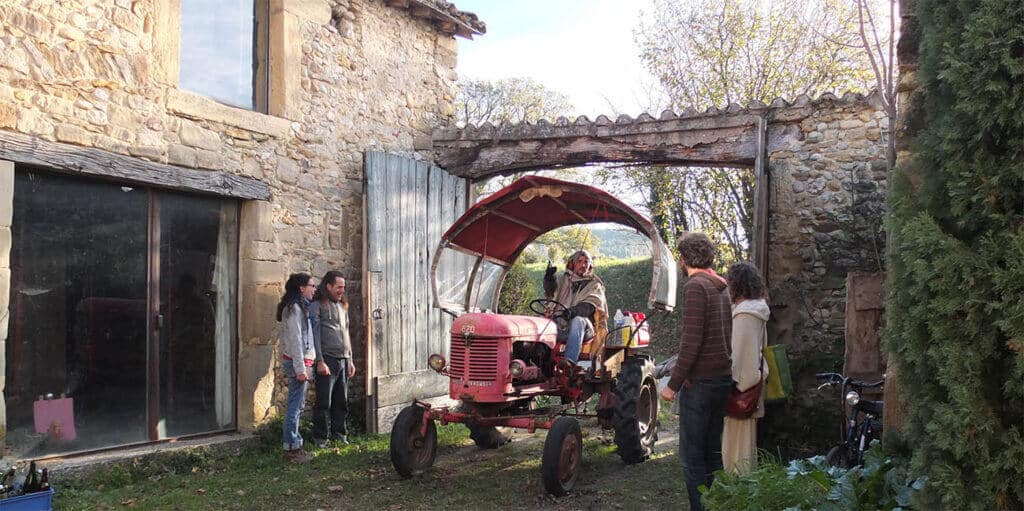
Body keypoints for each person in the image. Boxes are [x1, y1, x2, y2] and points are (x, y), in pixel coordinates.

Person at [660, 232, 733, 511]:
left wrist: (672, 385)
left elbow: (691, 342)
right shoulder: (722, 285)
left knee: (692, 457)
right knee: (713, 454)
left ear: (685, 258)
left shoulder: (695, 286)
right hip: (722, 379)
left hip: (701, 384)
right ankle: (716, 506)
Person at [723, 262, 770, 475]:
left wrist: (733, 388)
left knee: (737, 450)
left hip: (742, 390)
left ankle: (736, 491)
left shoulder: (745, 315)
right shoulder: (751, 311)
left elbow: (742, 359)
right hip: (748, 386)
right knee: (742, 447)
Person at [309, 271, 355, 447]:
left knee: (341, 401)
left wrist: (350, 360)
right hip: (327, 360)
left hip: (343, 360)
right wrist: (319, 361)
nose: (342, 290)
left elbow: (347, 334)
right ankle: (320, 438)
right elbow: (315, 334)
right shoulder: (317, 306)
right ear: (328, 286)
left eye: (343, 287)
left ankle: (340, 435)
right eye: (339, 287)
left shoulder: (343, 307)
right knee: (323, 402)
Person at [543, 250, 608, 367]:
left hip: (586, 329)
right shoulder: (563, 279)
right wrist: (549, 279)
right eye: (579, 261)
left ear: (590, 265)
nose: (583, 265)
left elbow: (589, 306)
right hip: (559, 324)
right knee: (538, 322)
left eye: (586, 262)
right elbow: (550, 291)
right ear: (572, 264)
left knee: (578, 320)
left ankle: (569, 362)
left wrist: (572, 312)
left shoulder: (595, 285)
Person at [277, 272, 317, 464]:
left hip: (301, 362)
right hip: (297, 363)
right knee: (294, 406)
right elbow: (295, 341)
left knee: (298, 406)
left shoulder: (301, 308)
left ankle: (294, 445)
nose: (314, 289)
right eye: (312, 286)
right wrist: (300, 369)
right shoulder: (294, 309)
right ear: (301, 288)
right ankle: (291, 449)